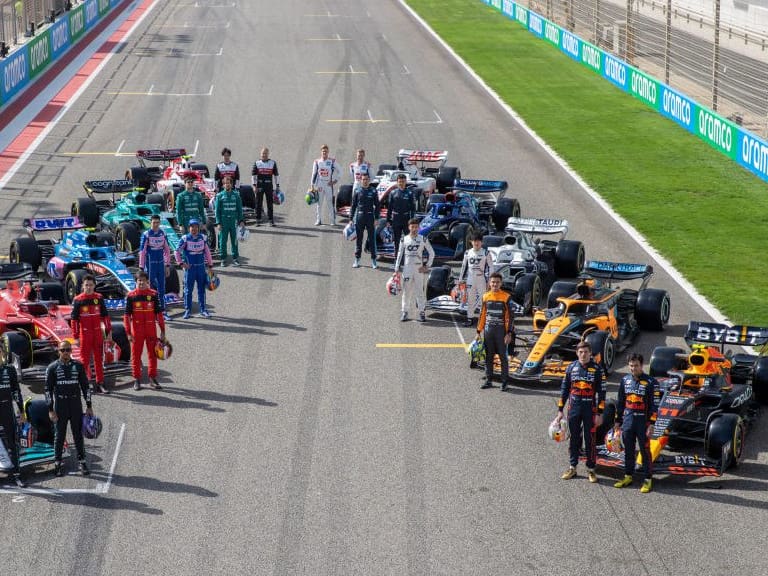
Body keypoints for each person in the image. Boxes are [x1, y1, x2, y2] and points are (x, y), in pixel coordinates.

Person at [557, 341, 605, 483]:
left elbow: (602, 393)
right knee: (574, 439)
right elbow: (564, 390)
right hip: (574, 409)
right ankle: (573, 467)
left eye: (586, 352)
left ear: (590, 353)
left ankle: (591, 469)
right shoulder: (571, 368)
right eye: (580, 352)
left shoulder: (597, 369)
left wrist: (600, 413)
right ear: (577, 353)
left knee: (590, 439)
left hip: (590, 410)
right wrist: (560, 410)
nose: (583, 354)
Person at [46, 341, 92, 477]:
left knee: (78, 434)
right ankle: (57, 463)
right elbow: (47, 390)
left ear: (71, 351)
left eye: (68, 349)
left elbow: (85, 387)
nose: (65, 352)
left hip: (75, 404)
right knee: (59, 436)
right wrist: (50, 409)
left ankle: (82, 462)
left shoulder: (78, 366)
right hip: (60, 405)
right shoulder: (52, 368)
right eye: (63, 350)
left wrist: (89, 406)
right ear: (58, 351)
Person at [613, 353, 657, 493]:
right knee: (629, 451)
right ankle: (628, 476)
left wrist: (651, 424)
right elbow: (620, 402)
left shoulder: (651, 382)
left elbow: (654, 406)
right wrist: (617, 421)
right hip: (628, 421)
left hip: (643, 423)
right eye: (631, 366)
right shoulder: (624, 380)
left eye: (636, 365)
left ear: (642, 365)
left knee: (645, 452)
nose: (633, 368)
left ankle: (648, 480)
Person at [70, 274, 112, 395]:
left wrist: (108, 332)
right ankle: (85, 383)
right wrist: (75, 337)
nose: (88, 287)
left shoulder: (99, 298)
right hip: (85, 334)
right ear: (83, 286)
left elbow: (105, 317)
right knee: (85, 360)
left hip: (98, 333)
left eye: (91, 285)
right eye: (86, 285)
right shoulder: (78, 300)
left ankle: (100, 383)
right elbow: (74, 320)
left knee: (99, 359)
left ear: (94, 286)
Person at [124, 270, 166, 390]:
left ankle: (152, 378)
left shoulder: (153, 295)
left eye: (143, 281)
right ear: (136, 282)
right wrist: (128, 333)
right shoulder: (131, 296)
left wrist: (163, 331)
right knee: (136, 356)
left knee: (152, 354)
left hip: (151, 329)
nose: (141, 283)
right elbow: (126, 316)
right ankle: (137, 379)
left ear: (147, 282)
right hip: (136, 331)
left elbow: (159, 314)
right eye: (139, 281)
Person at [475, 272, 514, 391]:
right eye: (493, 282)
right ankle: (489, 380)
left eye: (497, 282)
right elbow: (482, 315)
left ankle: (504, 382)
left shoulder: (507, 297)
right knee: (489, 357)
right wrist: (478, 331)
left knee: (503, 357)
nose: (495, 284)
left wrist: (509, 333)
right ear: (489, 283)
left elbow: (511, 317)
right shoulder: (485, 296)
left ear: (501, 283)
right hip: (488, 331)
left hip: (501, 332)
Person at [393, 218, 434, 322]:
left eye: (416, 227)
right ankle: (405, 312)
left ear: (418, 227)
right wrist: (396, 268)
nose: (414, 229)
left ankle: (421, 313)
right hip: (407, 269)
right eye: (412, 227)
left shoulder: (423, 239)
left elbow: (432, 253)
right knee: (406, 292)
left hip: (419, 270)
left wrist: (427, 266)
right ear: (409, 227)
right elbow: (399, 254)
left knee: (420, 292)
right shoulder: (404, 239)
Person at [175, 219, 214, 319]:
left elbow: (207, 252)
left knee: (202, 290)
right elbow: (177, 252)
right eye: (192, 227)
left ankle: (203, 310)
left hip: (201, 268)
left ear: (199, 228)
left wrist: (210, 266)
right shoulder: (185, 238)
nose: (194, 229)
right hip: (190, 269)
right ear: (189, 228)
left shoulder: (203, 238)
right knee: (188, 290)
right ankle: (188, 311)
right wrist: (181, 263)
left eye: (196, 227)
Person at [139, 215, 173, 321]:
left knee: (162, 289)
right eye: (154, 222)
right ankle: (151, 311)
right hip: (150, 265)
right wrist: (141, 267)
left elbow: (167, 250)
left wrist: (167, 265)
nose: (155, 224)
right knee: (150, 289)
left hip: (160, 265)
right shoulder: (146, 234)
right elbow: (142, 252)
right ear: (150, 223)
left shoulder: (163, 233)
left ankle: (163, 311)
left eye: (157, 222)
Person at [0, 344, 25, 487]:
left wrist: (21, 411)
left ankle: (17, 475)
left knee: (12, 443)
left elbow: (17, 391)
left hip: (7, 409)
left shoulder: (9, 370)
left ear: (3, 352)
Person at [460, 232, 494, 327]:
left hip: (481, 279)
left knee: (483, 300)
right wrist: (461, 279)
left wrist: (490, 281)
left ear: (482, 242)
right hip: (470, 279)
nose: (476, 243)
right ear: (471, 242)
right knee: (470, 299)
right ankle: (469, 318)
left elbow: (491, 267)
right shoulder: (467, 252)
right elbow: (463, 267)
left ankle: (482, 319)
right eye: (474, 241)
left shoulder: (486, 253)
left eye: (478, 241)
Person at [349, 173, 380, 269]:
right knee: (359, 240)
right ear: (361, 180)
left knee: (372, 239)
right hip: (360, 217)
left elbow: (377, 206)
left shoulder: (373, 191)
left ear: (369, 180)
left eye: (366, 179)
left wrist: (377, 218)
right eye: (363, 179)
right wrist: (350, 219)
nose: (365, 181)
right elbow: (353, 206)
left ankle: (374, 261)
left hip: (370, 217)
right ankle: (357, 259)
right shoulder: (357, 191)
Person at [214, 175, 244, 267]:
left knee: (234, 240)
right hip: (223, 221)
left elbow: (239, 209)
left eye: (229, 183)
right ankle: (223, 259)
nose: (227, 185)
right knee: (223, 241)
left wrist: (241, 220)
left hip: (233, 221)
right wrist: (218, 222)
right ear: (223, 185)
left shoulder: (236, 195)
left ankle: (235, 258)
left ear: (231, 184)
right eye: (225, 183)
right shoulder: (219, 196)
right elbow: (217, 211)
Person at [386, 174, 416, 260]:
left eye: (403, 181)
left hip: (406, 219)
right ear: (397, 182)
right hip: (396, 219)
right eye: (400, 182)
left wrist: (412, 221)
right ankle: (397, 259)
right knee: (397, 240)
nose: (401, 183)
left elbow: (413, 209)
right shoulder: (392, 193)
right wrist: (388, 220)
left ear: (405, 182)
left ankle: (408, 258)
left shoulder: (410, 193)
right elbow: (389, 208)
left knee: (408, 240)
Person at [309, 144, 340, 226]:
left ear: (328, 152)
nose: (324, 153)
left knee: (330, 202)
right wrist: (312, 185)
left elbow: (340, 171)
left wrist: (335, 181)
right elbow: (314, 173)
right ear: (321, 152)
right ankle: (318, 220)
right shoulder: (317, 162)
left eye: (326, 151)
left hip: (329, 184)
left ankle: (333, 221)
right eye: (323, 151)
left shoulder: (332, 161)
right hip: (320, 184)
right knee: (319, 203)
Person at [252, 147, 280, 227]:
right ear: (260, 154)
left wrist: (277, 186)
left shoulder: (272, 163)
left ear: (268, 154)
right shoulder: (257, 163)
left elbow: (276, 175)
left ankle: (271, 220)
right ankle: (258, 220)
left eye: (266, 153)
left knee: (270, 203)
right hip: (259, 186)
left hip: (269, 186)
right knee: (258, 203)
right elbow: (253, 175)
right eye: (263, 153)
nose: (264, 155)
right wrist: (254, 186)